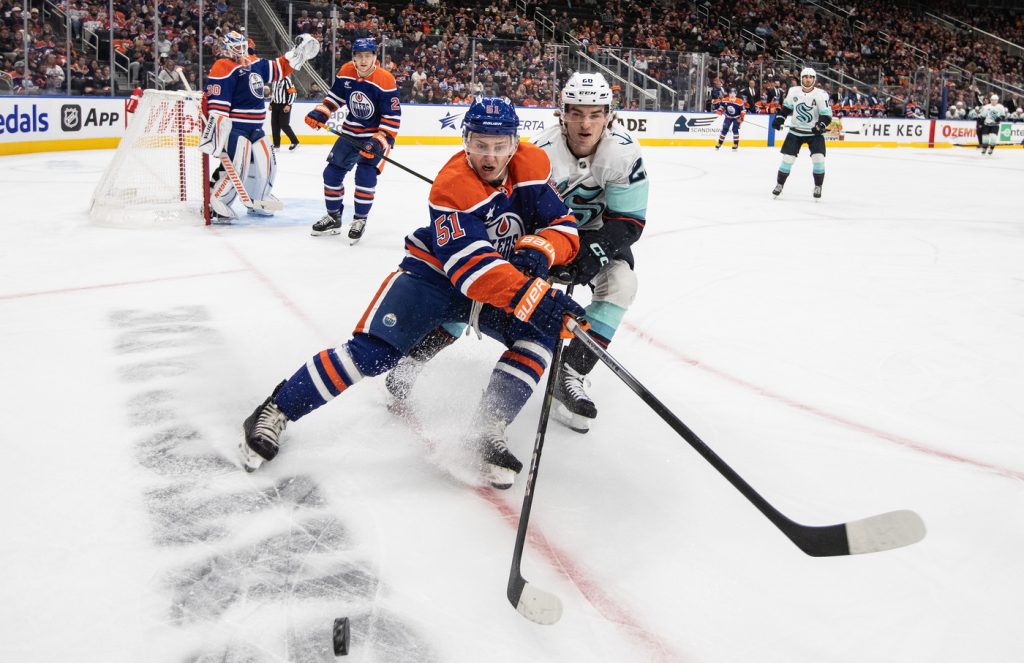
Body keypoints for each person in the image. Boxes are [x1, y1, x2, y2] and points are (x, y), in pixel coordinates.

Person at [240, 97, 586, 489]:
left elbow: (564, 225)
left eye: (500, 145)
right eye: (480, 144)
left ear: (515, 143)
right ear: (465, 140)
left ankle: (487, 427)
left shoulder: (533, 167)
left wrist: (539, 252)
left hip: (500, 280)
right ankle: (277, 408)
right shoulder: (451, 187)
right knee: (373, 355)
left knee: (538, 337)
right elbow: (472, 272)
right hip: (435, 279)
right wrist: (535, 298)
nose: (490, 156)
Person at [384, 73, 648, 435]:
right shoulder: (540, 151)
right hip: (535, 238)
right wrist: (537, 252)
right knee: (475, 287)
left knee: (622, 284)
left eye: (595, 113)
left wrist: (590, 254)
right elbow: (516, 208)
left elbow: (629, 221)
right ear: (562, 113)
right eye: (576, 113)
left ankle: (569, 373)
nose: (585, 123)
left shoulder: (623, 153)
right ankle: (416, 358)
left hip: (591, 239)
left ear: (609, 115)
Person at [200, 30, 320, 220]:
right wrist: (216, 133)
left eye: (242, 47)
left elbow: (279, 67)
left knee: (268, 163)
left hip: (256, 127)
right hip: (236, 127)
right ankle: (216, 201)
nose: (240, 51)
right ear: (227, 49)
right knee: (236, 167)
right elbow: (218, 106)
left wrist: (298, 54)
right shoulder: (223, 66)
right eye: (236, 48)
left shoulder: (256, 63)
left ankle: (259, 199)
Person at [305, 37, 402, 242]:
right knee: (331, 174)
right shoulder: (346, 71)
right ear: (354, 58)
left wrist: (377, 141)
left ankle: (360, 219)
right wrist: (320, 113)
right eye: (359, 56)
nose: (364, 60)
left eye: (368, 56)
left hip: (376, 136)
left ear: (375, 57)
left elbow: (392, 118)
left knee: (365, 176)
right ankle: (333, 217)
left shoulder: (385, 79)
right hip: (350, 132)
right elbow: (334, 98)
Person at [770, 67, 832, 200]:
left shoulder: (821, 94)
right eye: (805, 76)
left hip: (814, 134)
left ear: (814, 79)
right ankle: (779, 185)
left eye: (810, 77)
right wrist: (780, 119)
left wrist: (820, 125)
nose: (808, 79)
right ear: (801, 78)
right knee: (787, 160)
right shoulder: (793, 91)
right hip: (795, 131)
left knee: (819, 160)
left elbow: (826, 115)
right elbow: (786, 107)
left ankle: (818, 186)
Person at [270, 74, 300, 150]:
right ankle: (276, 144)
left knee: (284, 124)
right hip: (275, 105)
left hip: (284, 105)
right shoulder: (274, 80)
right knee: (274, 125)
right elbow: (274, 93)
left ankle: (295, 141)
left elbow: (293, 93)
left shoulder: (286, 80)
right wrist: (271, 103)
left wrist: (289, 104)